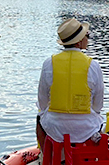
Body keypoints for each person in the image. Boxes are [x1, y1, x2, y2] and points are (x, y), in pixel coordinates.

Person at [36, 17, 104, 147]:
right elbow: (98, 105)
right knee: (97, 118)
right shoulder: (93, 65)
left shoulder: (49, 63)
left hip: (55, 128)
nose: (88, 39)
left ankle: (47, 159)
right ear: (78, 42)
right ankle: (89, 158)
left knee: (39, 117)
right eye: (87, 36)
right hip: (86, 128)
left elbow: (42, 102)